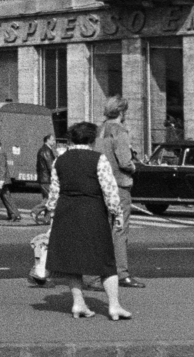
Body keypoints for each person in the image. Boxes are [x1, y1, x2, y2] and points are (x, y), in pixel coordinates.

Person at [45, 120, 131, 322]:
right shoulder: (98, 160)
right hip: (92, 211)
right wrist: (117, 215)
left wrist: (51, 213)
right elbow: (109, 190)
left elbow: (54, 192)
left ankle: (78, 302)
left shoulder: (60, 160)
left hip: (66, 211)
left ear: (71, 139)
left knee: (72, 261)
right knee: (105, 260)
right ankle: (114, 305)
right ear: (92, 140)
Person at [97, 96, 145, 289]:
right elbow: (124, 161)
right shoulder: (120, 131)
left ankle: (96, 274)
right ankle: (121, 273)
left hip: (100, 185)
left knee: (102, 231)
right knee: (119, 230)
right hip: (118, 186)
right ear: (122, 112)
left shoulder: (99, 130)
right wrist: (135, 166)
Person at [35, 132, 57, 211]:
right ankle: (35, 211)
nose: (54, 142)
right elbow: (50, 166)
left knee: (46, 198)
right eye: (52, 140)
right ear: (47, 140)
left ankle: (46, 218)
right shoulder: (46, 151)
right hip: (46, 179)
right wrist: (56, 176)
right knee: (50, 199)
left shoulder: (44, 149)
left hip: (44, 178)